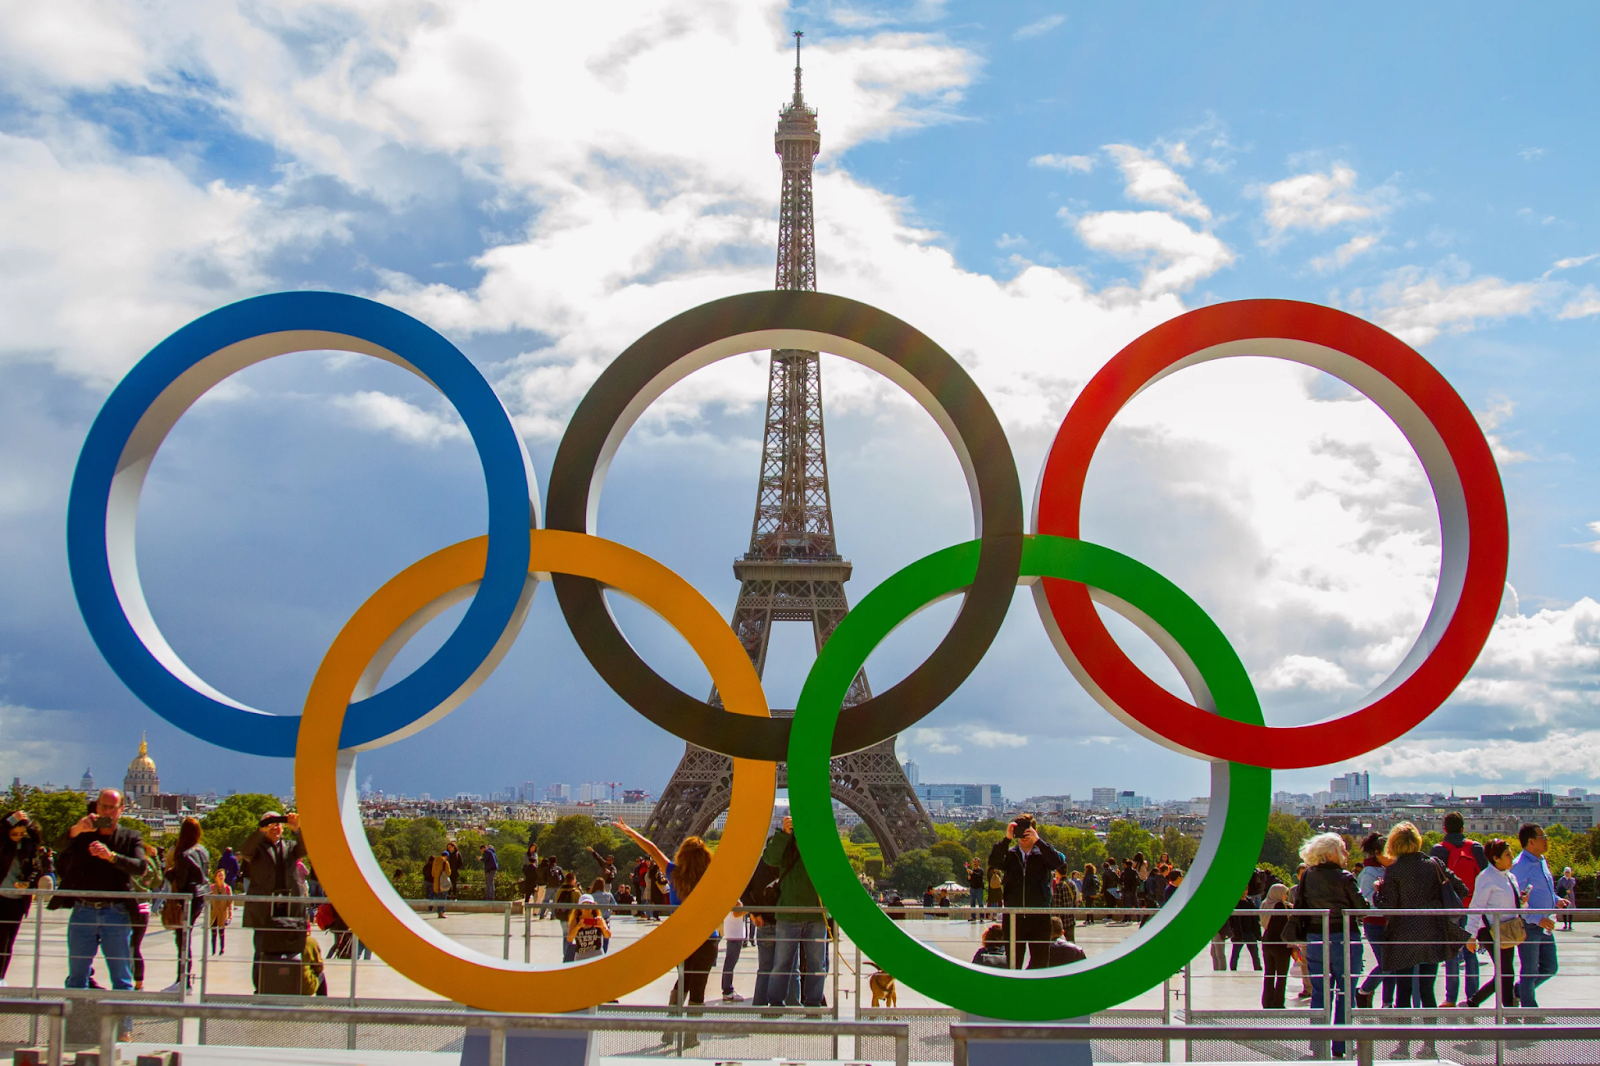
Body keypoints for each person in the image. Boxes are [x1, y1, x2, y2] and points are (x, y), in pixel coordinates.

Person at [614, 820, 719, 1047]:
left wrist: (631, 831)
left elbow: (652, 849)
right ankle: (691, 1036)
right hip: (707, 937)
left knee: (682, 983)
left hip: (680, 936)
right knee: (698, 989)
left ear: (683, 854)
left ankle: (670, 1030)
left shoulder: (673, 873)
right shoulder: (712, 877)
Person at [1377, 821, 1468, 1062]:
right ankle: (1430, 1045)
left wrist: (1378, 891)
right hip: (1432, 932)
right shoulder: (1434, 864)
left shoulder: (1394, 870)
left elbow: (1387, 906)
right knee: (1427, 990)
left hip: (1404, 935)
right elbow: (1462, 889)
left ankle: (1403, 1045)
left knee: (1403, 992)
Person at [56, 789, 146, 991]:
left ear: (121, 810)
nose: (106, 812)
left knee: (122, 978)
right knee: (77, 978)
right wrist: (77, 829)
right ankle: (78, 1022)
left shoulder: (130, 836)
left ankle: (123, 1023)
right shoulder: (84, 835)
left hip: (116, 912)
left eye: (111, 808)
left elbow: (141, 866)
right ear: (96, 807)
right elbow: (58, 845)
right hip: (83, 910)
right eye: (102, 807)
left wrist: (112, 857)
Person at [1295, 832, 1366, 1059]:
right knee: (1346, 993)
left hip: (1316, 937)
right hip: (1344, 937)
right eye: (1343, 849)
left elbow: (1301, 905)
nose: (1346, 853)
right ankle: (1340, 1045)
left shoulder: (1307, 876)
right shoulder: (1345, 877)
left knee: (1319, 993)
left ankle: (1318, 1043)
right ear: (1332, 853)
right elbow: (1361, 907)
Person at [760, 814, 827, 1006]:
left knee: (815, 964)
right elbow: (770, 859)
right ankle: (776, 1004)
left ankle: (813, 1004)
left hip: (813, 914)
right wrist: (784, 834)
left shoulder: (819, 840)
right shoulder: (784, 841)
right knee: (783, 964)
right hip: (790, 914)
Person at [238, 810, 308, 991]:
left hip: (288, 908)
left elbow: (305, 849)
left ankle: (285, 985)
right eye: (271, 824)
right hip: (264, 909)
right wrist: (260, 831)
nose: (275, 827)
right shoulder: (257, 848)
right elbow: (245, 851)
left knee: (290, 949)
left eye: (278, 823)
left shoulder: (290, 846)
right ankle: (260, 987)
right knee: (261, 949)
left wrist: (297, 830)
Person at [986, 814, 1066, 969]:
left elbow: (1057, 862)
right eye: (1019, 831)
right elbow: (993, 861)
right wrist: (1006, 840)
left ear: (1034, 831)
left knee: (1040, 963)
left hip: (1039, 917)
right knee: (1013, 964)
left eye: (1027, 831)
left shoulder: (1043, 854)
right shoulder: (1010, 854)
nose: (1023, 836)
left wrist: (1039, 842)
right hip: (1014, 916)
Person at [1430, 812, 1486, 1007]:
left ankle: (1450, 998)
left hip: (1449, 908)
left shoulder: (1438, 850)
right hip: (1472, 907)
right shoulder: (1476, 848)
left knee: (1452, 953)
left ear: (1444, 829)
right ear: (1463, 828)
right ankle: (1473, 997)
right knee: (1471, 952)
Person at [1511, 823, 1563, 1012]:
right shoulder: (1520, 866)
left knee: (1550, 967)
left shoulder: (1541, 860)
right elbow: (1516, 901)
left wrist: (1556, 900)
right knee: (1530, 971)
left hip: (1545, 925)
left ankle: (1519, 991)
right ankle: (1531, 1013)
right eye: (1543, 837)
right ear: (1531, 842)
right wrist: (1536, 917)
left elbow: (1542, 891)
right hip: (1530, 926)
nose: (1546, 840)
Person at [1465, 839, 1523, 1009]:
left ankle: (1474, 1001)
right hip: (1491, 931)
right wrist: (1471, 935)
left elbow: (1512, 904)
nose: (1511, 857)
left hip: (1507, 930)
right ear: (1495, 858)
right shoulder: (1486, 877)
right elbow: (1476, 906)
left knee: (1504, 972)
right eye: (1507, 854)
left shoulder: (1510, 876)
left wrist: (1523, 902)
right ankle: (1508, 1010)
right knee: (1506, 972)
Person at [161, 816, 209, 991]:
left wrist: (169, 874)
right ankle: (184, 979)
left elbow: (180, 882)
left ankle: (183, 980)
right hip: (201, 896)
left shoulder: (183, 853)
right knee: (185, 938)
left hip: (187, 898)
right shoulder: (203, 850)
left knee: (182, 940)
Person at [1353, 831, 1395, 1010]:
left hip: (1387, 922)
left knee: (1391, 965)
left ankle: (1387, 1002)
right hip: (1375, 922)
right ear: (1378, 853)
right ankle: (1364, 990)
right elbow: (1367, 900)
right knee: (1387, 964)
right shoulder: (1369, 872)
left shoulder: (1386, 869)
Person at [1, 812, 42, 986]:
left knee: (9, 942)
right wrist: (11, 820)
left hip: (17, 900)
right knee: (1, 940)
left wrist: (28, 883)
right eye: (14, 834)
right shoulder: (3, 844)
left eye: (20, 834)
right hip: (1, 897)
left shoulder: (28, 845)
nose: (17, 838)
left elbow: (35, 868)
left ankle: (1, 977)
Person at [1259, 883, 1291, 1009]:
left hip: (1267, 942)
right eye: (1284, 893)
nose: (1286, 896)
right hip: (1280, 945)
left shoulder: (1264, 904)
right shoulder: (1280, 907)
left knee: (1269, 974)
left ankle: (1267, 1001)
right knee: (1281, 975)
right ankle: (1277, 1002)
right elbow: (1284, 927)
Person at [565, 894, 609, 963]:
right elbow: (569, 939)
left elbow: (608, 935)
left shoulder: (598, 918)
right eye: (585, 904)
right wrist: (578, 927)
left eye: (590, 904)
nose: (587, 907)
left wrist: (602, 927)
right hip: (580, 957)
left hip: (597, 956)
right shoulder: (575, 920)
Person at [1228, 887, 1262, 970]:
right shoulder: (1235, 903)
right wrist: (1233, 932)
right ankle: (1233, 970)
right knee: (1235, 955)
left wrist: (1257, 934)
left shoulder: (1250, 902)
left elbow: (1255, 919)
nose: (1244, 892)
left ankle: (1258, 969)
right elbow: (1231, 920)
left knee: (1255, 955)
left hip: (1250, 933)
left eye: (1245, 890)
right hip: (1239, 933)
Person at [720, 908, 748, 1001]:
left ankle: (727, 989)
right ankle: (727, 990)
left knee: (730, 962)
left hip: (734, 933)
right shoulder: (734, 898)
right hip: (734, 935)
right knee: (730, 963)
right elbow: (736, 913)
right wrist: (749, 909)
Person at [208, 867, 233, 956]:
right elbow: (207, 901)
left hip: (223, 913)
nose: (221, 877)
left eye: (222, 875)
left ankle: (222, 949)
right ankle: (213, 950)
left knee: (221, 932)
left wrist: (230, 916)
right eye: (219, 875)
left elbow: (230, 903)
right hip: (214, 913)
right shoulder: (211, 888)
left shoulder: (227, 888)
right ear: (216, 877)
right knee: (213, 932)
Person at [1050, 867, 1079, 942]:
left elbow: (1057, 905)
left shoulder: (1059, 885)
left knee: (1057, 945)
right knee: (1071, 944)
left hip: (1062, 922)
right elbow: (1074, 901)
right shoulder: (1071, 883)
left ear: (1057, 872)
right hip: (1070, 919)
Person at [1555, 866, 1577, 932]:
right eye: (1566, 872)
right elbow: (1558, 887)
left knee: (1571, 910)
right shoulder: (1561, 880)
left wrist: (1567, 891)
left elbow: (1571, 886)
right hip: (1563, 896)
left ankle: (1570, 924)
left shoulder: (1572, 879)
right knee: (1564, 909)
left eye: (1568, 872)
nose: (1567, 873)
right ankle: (1565, 924)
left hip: (1570, 896)